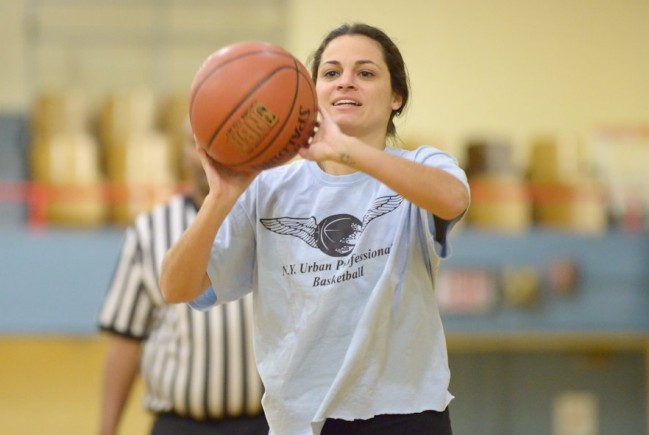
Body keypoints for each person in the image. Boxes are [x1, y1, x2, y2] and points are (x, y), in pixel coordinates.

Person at [160, 22, 470, 435]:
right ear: (311, 94)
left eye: (365, 73)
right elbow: (177, 287)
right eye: (330, 73)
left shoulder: (423, 166)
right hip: (300, 421)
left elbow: (453, 198)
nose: (346, 83)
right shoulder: (268, 187)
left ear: (396, 97)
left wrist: (346, 149)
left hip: (404, 414)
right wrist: (221, 196)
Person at [97, 123, 268, 435]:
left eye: (227, 142)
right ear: (185, 154)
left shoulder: (271, 221)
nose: (215, 154)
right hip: (179, 425)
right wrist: (107, 430)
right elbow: (126, 340)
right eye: (202, 143)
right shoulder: (149, 230)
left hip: (265, 422)